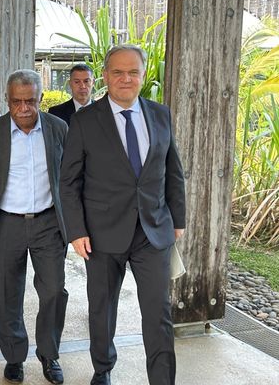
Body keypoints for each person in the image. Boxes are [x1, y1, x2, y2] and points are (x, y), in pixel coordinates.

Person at [59, 45, 186, 385]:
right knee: (102, 309)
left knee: (158, 314)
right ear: (106, 76)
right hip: (100, 235)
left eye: (133, 72)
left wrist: (179, 220)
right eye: (118, 72)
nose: (126, 79)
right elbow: (68, 181)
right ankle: (103, 368)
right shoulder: (85, 120)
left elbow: (172, 170)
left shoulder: (161, 114)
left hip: (153, 231)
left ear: (142, 76)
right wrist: (76, 230)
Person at [0, 69, 68, 385]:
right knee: (6, 295)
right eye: (17, 102)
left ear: (41, 98)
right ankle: (14, 357)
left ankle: (49, 353)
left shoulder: (58, 129)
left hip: (48, 224)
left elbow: (67, 176)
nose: (24, 108)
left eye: (30, 101)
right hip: (6, 224)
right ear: (7, 100)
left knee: (54, 290)